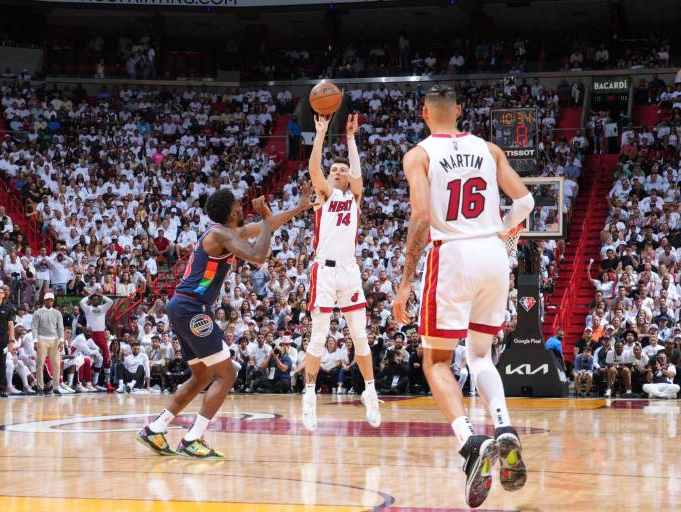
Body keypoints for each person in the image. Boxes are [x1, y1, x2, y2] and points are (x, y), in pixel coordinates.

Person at [392, 85, 534, 508]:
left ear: (424, 114)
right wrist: (502, 233)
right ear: (458, 111)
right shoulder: (489, 150)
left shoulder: (419, 155)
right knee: (480, 355)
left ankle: (471, 442)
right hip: (493, 253)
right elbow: (525, 202)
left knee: (436, 360)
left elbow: (420, 217)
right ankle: (504, 427)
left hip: (452, 254)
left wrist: (405, 282)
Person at [136, 189, 311, 459]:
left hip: (182, 306)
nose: (243, 208)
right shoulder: (220, 235)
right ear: (231, 213)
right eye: (239, 205)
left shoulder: (227, 233)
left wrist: (299, 207)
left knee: (202, 377)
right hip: (192, 307)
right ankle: (192, 439)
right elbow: (258, 255)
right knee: (227, 374)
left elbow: (265, 226)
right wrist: (266, 218)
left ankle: (155, 428)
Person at [301, 113, 381, 432]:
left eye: (342, 170)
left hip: (349, 271)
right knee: (318, 336)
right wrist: (321, 133)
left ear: (348, 178)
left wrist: (350, 139)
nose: (337, 172)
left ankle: (370, 392)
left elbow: (359, 177)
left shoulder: (354, 197)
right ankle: (308, 396)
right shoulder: (324, 195)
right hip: (324, 270)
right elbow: (314, 170)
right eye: (334, 170)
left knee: (360, 335)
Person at [80, 291, 114, 391]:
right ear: (91, 300)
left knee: (106, 359)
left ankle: (106, 383)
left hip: (101, 335)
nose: (95, 300)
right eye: (93, 299)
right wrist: (90, 295)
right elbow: (82, 302)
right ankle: (87, 383)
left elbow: (111, 302)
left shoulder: (102, 308)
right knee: (90, 359)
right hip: (91, 336)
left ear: (99, 300)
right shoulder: (88, 309)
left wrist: (101, 295)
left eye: (97, 299)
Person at [32, 291, 65, 395]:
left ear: (53, 301)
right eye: (48, 300)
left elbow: (60, 327)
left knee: (56, 364)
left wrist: (62, 340)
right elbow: (34, 327)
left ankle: (56, 387)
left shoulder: (57, 313)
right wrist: (35, 341)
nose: (49, 301)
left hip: (54, 340)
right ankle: (40, 387)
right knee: (40, 364)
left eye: (51, 300)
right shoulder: (38, 312)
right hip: (41, 339)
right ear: (44, 300)